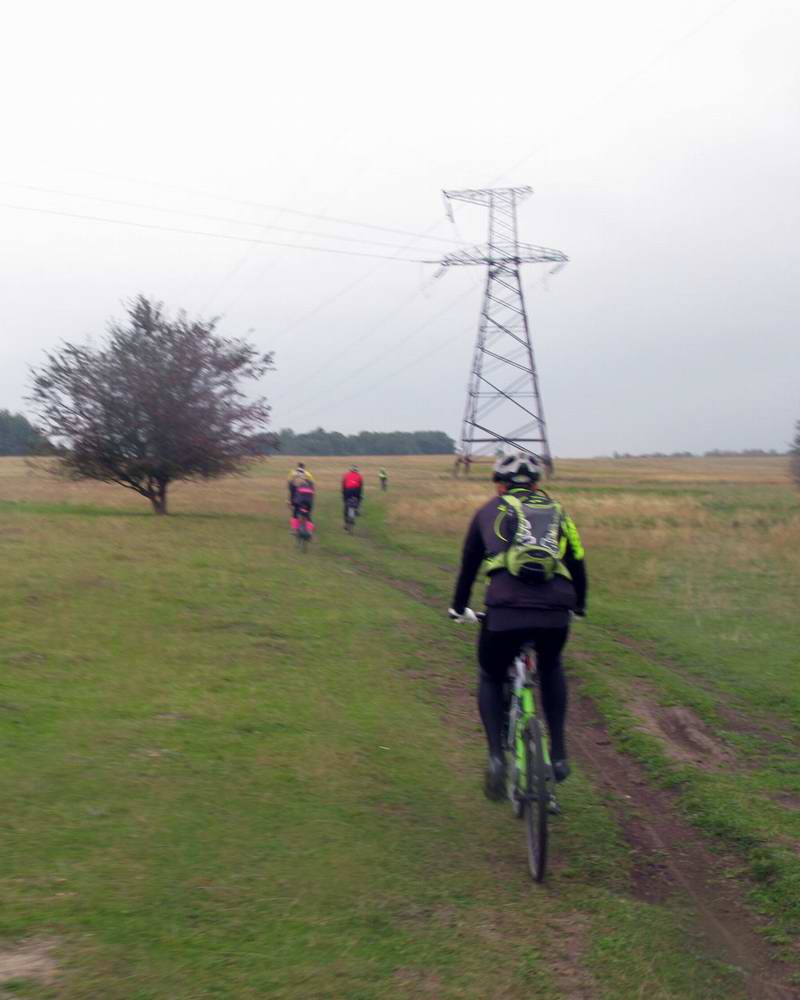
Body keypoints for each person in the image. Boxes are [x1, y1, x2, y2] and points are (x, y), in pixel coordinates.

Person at [449, 451, 587, 800]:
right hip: (556, 610)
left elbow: (468, 566)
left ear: (499, 485)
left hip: (505, 611)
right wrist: (579, 606)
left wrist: (458, 607)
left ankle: (496, 756)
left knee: (491, 675)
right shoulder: (558, 512)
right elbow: (578, 562)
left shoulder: (487, 512)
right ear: (538, 484)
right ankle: (557, 753)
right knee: (552, 665)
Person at [287, 463, 315, 535]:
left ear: (298, 467)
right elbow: (312, 485)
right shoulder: (308, 474)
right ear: (304, 468)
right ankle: (310, 531)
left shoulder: (293, 473)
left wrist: (290, 500)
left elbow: (290, 485)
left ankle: (294, 530)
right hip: (309, 495)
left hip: (297, 494)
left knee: (295, 512)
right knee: (308, 514)